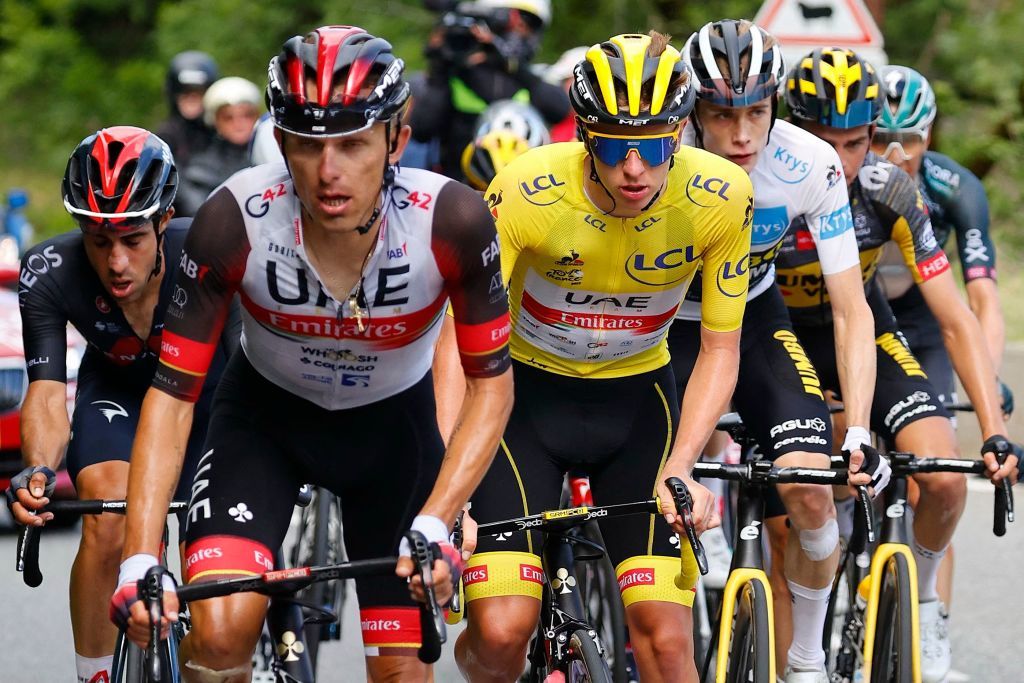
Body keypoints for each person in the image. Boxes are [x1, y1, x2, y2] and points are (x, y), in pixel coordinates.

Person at [111, 26, 513, 683]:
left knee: (402, 669)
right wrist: (137, 556)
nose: (329, 172)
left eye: (353, 144)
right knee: (217, 632)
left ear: (396, 142)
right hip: (265, 423)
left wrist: (442, 516)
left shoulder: (452, 221)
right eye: (306, 145)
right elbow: (173, 394)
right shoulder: (232, 218)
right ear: (281, 144)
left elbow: (491, 385)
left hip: (393, 438)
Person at [450, 32, 754, 681]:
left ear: (680, 132)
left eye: (653, 145)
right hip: (521, 406)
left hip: (638, 406)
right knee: (502, 632)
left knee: (669, 645)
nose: (635, 168)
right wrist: (447, 479)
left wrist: (683, 466)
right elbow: (460, 340)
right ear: (586, 136)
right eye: (616, 146)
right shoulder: (526, 191)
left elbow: (721, 348)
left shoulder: (722, 197)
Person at [780, 47, 1018, 683]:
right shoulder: (764, 190)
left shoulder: (891, 191)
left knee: (939, 480)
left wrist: (993, 428)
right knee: (807, 489)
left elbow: (956, 317)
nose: (840, 159)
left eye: (857, 142)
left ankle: (924, 603)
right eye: (821, 141)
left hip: (864, 330)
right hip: (779, 338)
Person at [668, 21, 880, 682]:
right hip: (663, 322)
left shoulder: (808, 163)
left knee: (812, 493)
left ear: (777, 106)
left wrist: (862, 432)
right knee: (651, 491)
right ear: (693, 113)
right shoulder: (657, 155)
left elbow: (851, 308)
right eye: (722, 114)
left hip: (756, 317)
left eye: (756, 112)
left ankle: (805, 658)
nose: (740, 134)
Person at [5, 126, 238, 683]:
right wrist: (38, 469)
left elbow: (255, 371)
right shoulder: (50, 271)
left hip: (209, 400)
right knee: (108, 521)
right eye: (98, 239)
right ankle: (95, 674)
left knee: (214, 571)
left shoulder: (208, 254)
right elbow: (44, 392)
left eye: (132, 239)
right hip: (117, 395)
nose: (115, 263)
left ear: (163, 220)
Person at [874, 65, 1008, 410]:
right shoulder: (839, 183)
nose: (894, 157)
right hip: (860, 312)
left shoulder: (956, 188)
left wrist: (988, 379)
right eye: (880, 141)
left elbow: (983, 300)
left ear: (928, 135)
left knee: (936, 446)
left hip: (925, 316)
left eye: (908, 141)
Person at [409, 0, 568, 180]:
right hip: (460, 188)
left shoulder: (531, 78)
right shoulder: (456, 76)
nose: (516, 33)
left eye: (524, 25)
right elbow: (422, 129)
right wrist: (442, 64)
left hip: (520, 189)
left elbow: (560, 109)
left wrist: (510, 64)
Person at [175, 76, 262, 216]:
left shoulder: (273, 156)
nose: (239, 123)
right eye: (228, 117)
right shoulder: (201, 168)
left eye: (247, 115)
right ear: (215, 121)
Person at [156, 51, 220, 169]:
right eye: (185, 92)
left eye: (198, 92)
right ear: (174, 95)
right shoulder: (164, 139)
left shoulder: (220, 132)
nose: (191, 99)